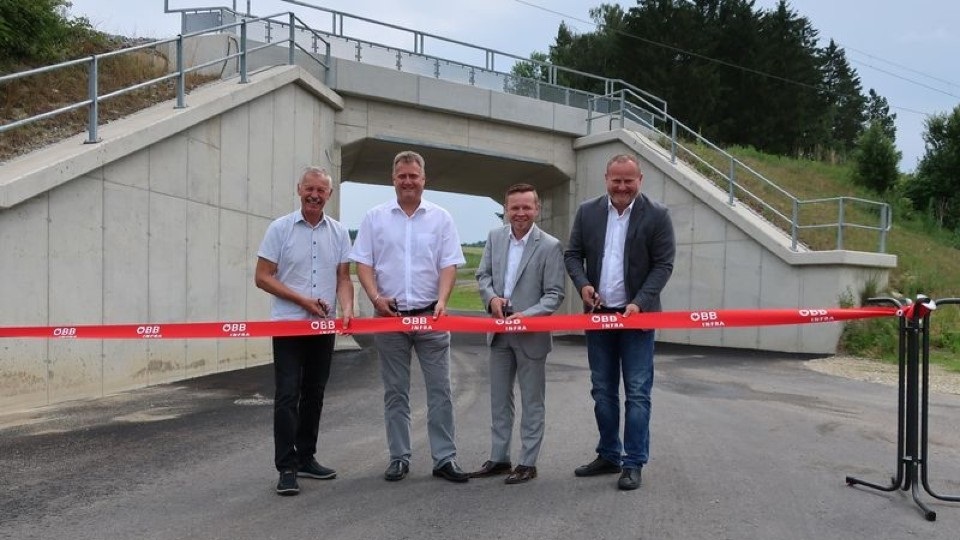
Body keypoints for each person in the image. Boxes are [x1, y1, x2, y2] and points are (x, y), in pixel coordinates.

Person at [349, 150, 470, 483]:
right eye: (402, 176)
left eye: (413, 176)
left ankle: (445, 458)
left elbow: (448, 265)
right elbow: (363, 264)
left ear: (423, 179)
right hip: (389, 319)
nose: (407, 181)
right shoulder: (375, 218)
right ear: (393, 179)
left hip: (431, 318)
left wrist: (443, 300)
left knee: (440, 392)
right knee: (395, 392)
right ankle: (399, 457)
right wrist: (375, 297)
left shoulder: (441, 218)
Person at [564, 154, 675, 491]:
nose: (622, 186)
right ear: (606, 178)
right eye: (617, 180)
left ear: (640, 179)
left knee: (638, 393)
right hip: (599, 318)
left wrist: (639, 303)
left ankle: (633, 462)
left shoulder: (657, 215)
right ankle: (610, 454)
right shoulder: (587, 211)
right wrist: (583, 285)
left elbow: (663, 265)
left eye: (629, 180)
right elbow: (572, 254)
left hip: (637, 319)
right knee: (603, 392)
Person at [255, 167, 354, 496]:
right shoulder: (280, 229)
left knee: (315, 393)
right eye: (309, 188)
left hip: (322, 328)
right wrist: (302, 300)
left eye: (321, 190)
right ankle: (286, 466)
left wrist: (347, 310)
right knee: (287, 395)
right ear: (299, 189)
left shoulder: (339, 233)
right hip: (287, 324)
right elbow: (263, 276)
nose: (314, 194)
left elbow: (343, 278)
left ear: (329, 194)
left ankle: (306, 457)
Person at [472, 184, 565, 484]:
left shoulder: (550, 246)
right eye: (515, 207)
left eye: (527, 207)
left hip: (531, 334)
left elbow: (554, 294)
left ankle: (527, 462)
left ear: (537, 209)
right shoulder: (494, 238)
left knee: (532, 401)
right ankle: (500, 458)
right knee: (499, 400)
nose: (521, 213)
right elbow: (482, 275)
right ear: (506, 209)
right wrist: (491, 299)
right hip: (499, 333)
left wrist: (529, 315)